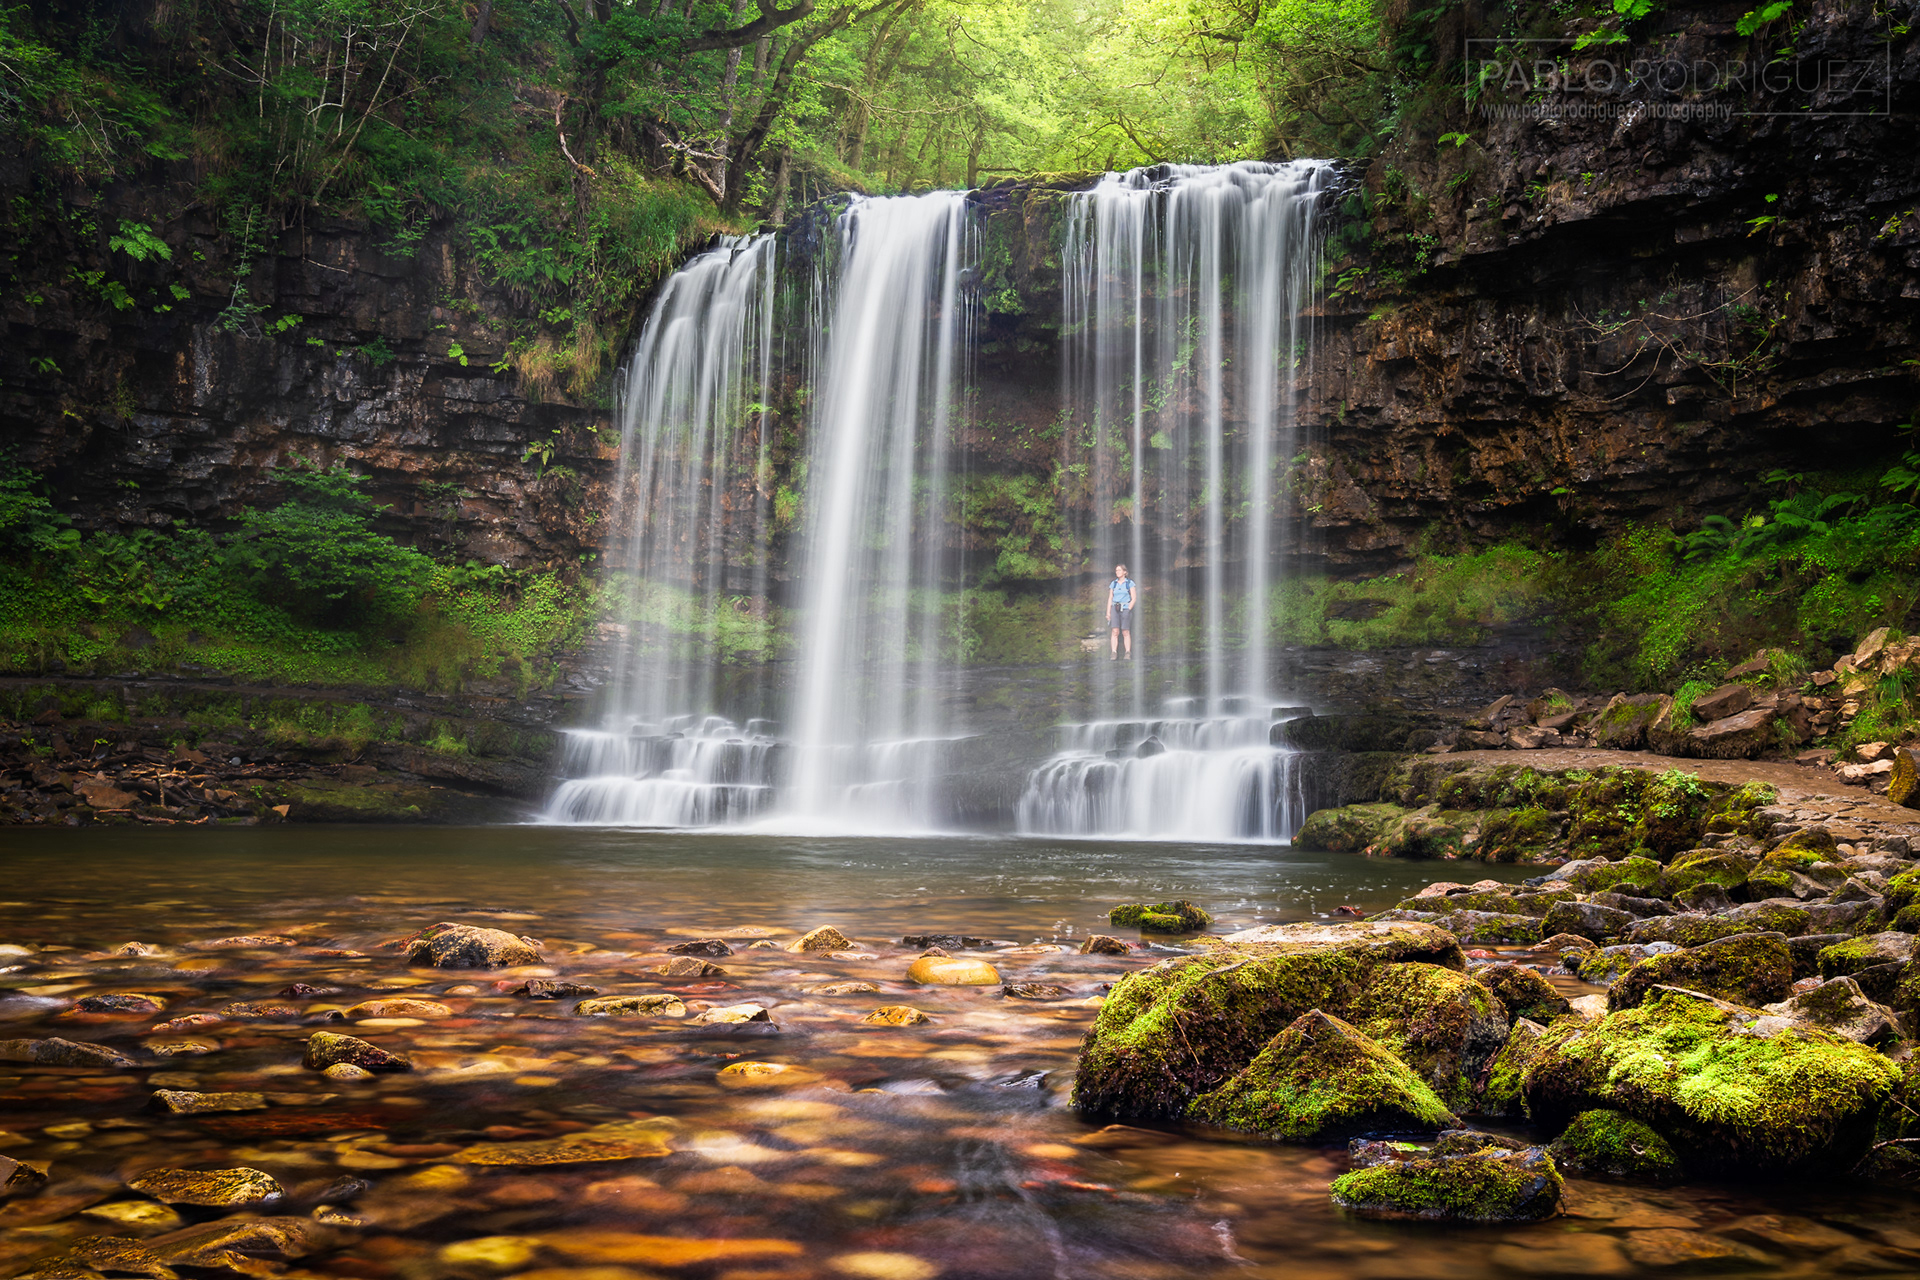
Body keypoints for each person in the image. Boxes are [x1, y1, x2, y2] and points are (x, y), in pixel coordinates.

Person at [1104, 564, 1140, 660]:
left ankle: (1127, 652)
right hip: (1115, 608)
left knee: (1125, 631)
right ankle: (1114, 652)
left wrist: (1128, 608)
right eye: (1116, 570)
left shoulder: (1130, 583)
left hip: (1125, 608)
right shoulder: (1113, 584)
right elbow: (1110, 598)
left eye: (1119, 570)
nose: (1117, 572)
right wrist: (1108, 612)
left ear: (1125, 572)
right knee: (1115, 631)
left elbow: (1134, 597)